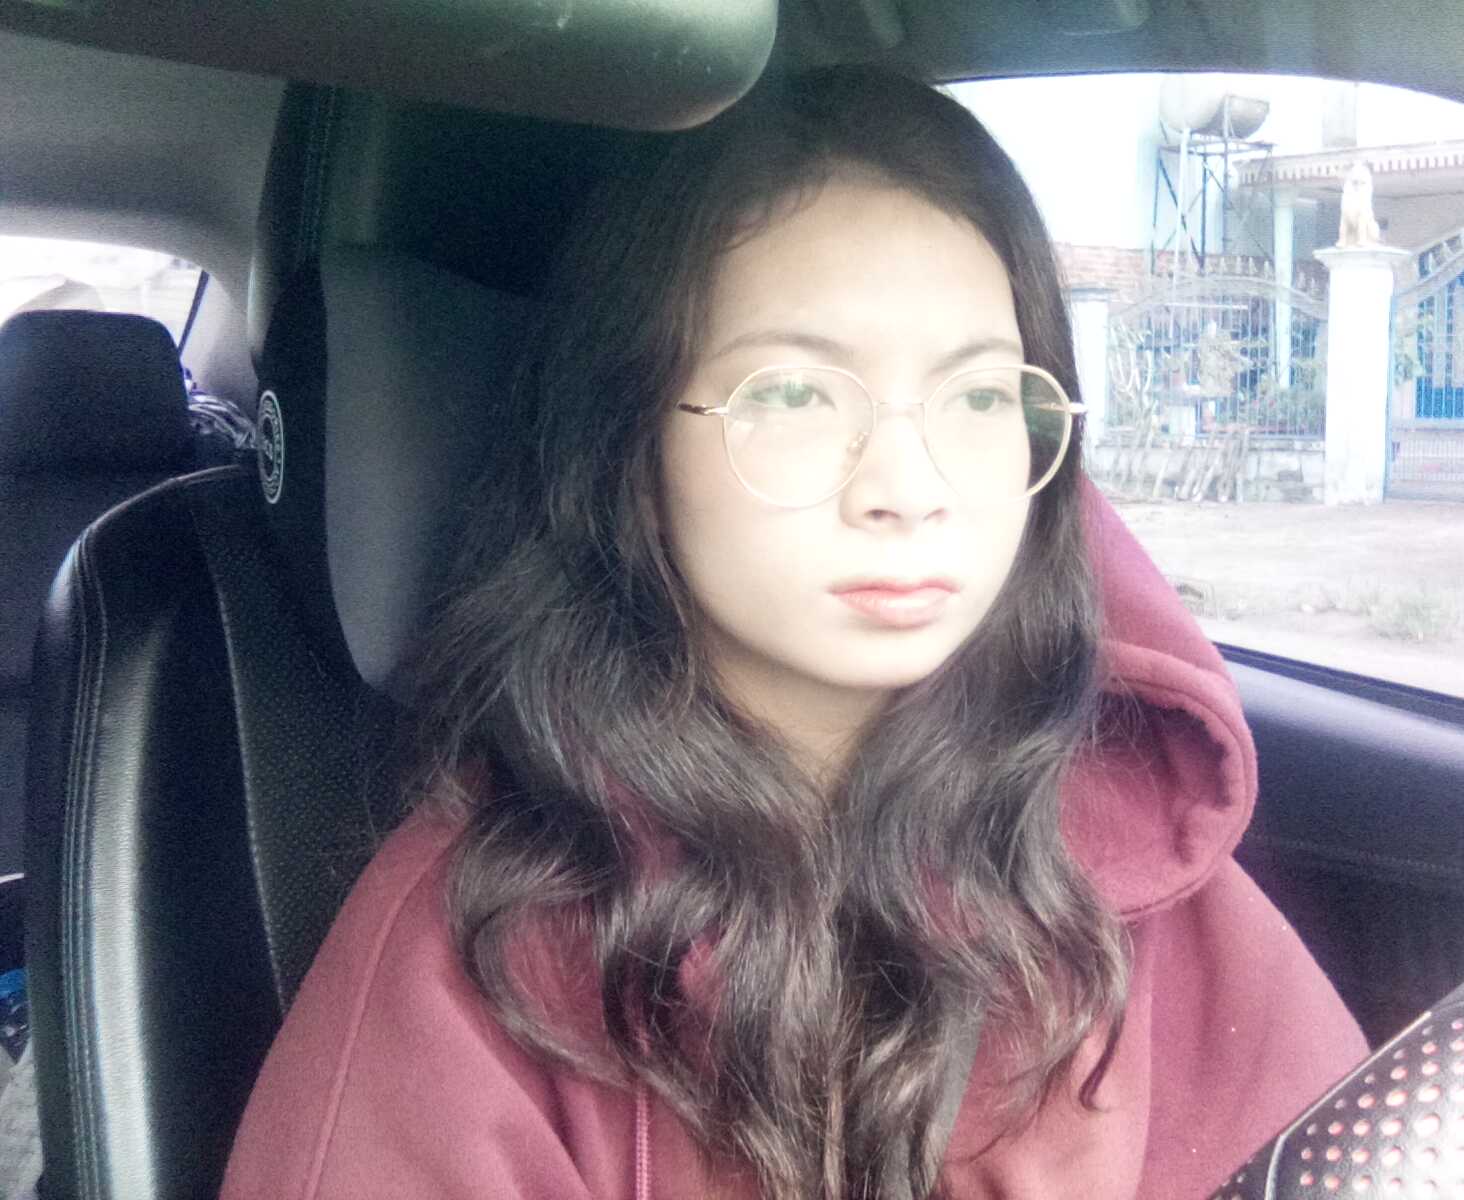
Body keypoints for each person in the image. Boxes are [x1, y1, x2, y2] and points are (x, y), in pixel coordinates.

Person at [222, 66, 1366, 1200]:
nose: (907, 489)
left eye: (978, 397)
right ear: (628, 440)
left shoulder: (1134, 858)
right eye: (794, 395)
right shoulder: (478, 958)